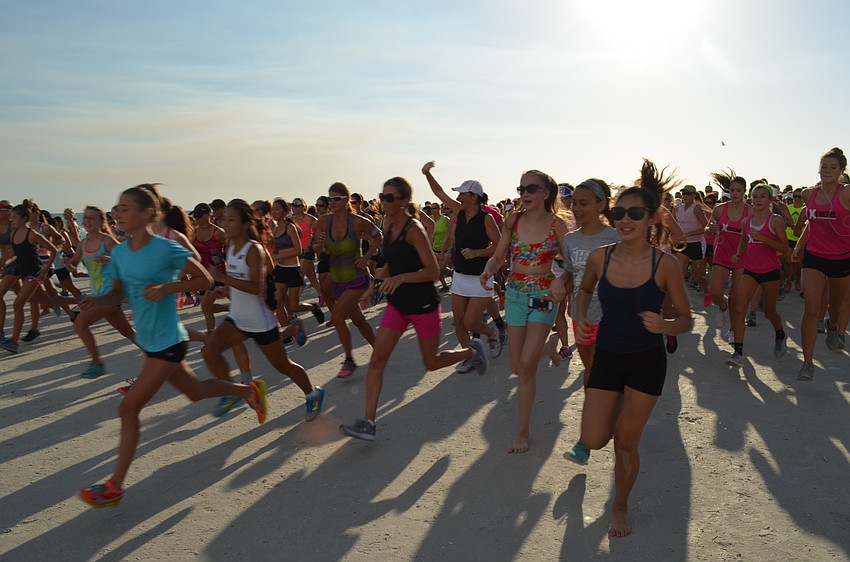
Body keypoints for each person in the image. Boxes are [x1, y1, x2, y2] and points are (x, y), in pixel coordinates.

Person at [78, 185, 267, 508]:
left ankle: (113, 487)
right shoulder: (120, 253)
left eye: (125, 207)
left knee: (128, 409)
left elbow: (204, 279)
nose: (118, 213)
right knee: (195, 391)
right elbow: (118, 294)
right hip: (149, 340)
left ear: (146, 214)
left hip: (169, 340)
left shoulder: (165, 248)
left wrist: (167, 287)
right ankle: (249, 391)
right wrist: (97, 300)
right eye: (117, 207)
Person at [563, 159, 693, 538]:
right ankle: (618, 411)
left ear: (651, 219)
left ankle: (619, 506)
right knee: (594, 438)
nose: (625, 219)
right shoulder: (601, 256)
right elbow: (584, 288)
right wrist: (581, 315)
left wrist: (664, 325)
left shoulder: (665, 264)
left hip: (645, 362)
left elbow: (686, 320)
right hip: (607, 356)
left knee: (625, 443)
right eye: (619, 212)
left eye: (635, 213)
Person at [340, 178, 488, 441]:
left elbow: (432, 270)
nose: (384, 202)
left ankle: (471, 351)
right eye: (382, 196)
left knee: (432, 363)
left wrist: (401, 278)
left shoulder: (414, 229)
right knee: (377, 360)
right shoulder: (388, 225)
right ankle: (368, 422)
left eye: (390, 198)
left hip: (423, 305)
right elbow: (389, 263)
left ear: (404, 200)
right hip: (398, 305)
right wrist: (374, 286)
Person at [202, 199, 324, 422]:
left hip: (259, 320)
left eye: (230, 220)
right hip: (237, 318)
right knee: (209, 351)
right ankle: (237, 392)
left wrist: (222, 278)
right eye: (223, 219)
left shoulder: (253, 249)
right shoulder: (230, 247)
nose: (224, 224)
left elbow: (253, 287)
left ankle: (313, 394)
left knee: (283, 366)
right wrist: (224, 290)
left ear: (244, 224)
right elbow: (238, 282)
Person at [481, 169, 569, 453]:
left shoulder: (557, 225)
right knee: (516, 367)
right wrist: (488, 270)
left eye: (531, 189)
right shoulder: (513, 221)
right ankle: (550, 347)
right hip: (515, 296)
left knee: (527, 366)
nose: (525, 194)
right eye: (521, 189)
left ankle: (522, 432)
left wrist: (560, 280)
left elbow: (571, 264)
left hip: (544, 296)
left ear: (546, 192)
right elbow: (498, 257)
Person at [422, 161, 503, 371]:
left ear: (474, 197)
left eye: (462, 194)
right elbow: (439, 193)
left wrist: (477, 252)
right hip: (460, 276)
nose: (458, 197)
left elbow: (499, 247)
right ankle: (472, 355)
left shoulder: (486, 219)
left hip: (481, 277)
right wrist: (427, 174)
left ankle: (492, 332)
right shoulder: (458, 212)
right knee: (458, 322)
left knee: (470, 323)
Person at [791, 147, 850, 380]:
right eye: (824, 166)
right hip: (814, 257)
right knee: (811, 308)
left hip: (841, 258)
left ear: (841, 171)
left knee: (835, 307)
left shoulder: (846, 194)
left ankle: (832, 325)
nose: (827, 171)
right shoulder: (809, 194)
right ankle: (807, 363)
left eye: (833, 167)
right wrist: (799, 247)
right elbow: (811, 223)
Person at [312, 182, 381, 378]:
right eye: (329, 199)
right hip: (338, 280)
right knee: (358, 320)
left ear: (346, 200)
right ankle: (380, 351)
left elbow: (378, 236)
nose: (332, 202)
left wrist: (366, 257)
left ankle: (349, 360)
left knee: (337, 317)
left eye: (336, 199)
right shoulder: (323, 222)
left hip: (358, 278)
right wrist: (319, 244)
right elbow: (317, 251)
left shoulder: (358, 222)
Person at [63, 206, 137, 378]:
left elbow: (130, 260)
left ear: (101, 222)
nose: (88, 221)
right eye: (86, 218)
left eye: (92, 218)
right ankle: (156, 354)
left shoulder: (108, 242)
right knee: (127, 332)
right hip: (98, 294)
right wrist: (67, 263)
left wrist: (111, 259)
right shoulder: (83, 244)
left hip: (111, 294)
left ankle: (97, 363)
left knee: (80, 324)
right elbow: (74, 268)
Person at [560, 179, 620, 384]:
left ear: (600, 205)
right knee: (591, 371)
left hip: (610, 317)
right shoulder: (569, 239)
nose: (576, 208)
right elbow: (571, 275)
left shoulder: (616, 237)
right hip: (581, 315)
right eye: (574, 202)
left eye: (583, 203)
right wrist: (558, 286)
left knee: (604, 371)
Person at [726, 184, 789, 367]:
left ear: (770, 200)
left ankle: (780, 333)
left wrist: (764, 239)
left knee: (769, 312)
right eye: (755, 196)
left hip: (770, 271)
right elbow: (744, 240)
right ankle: (738, 352)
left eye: (762, 196)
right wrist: (739, 254)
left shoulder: (775, 220)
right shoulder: (747, 221)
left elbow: (784, 248)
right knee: (740, 308)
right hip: (750, 270)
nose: (758, 199)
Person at [0, 202, 58, 353]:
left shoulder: (33, 234)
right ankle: (78, 303)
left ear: (24, 218)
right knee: (48, 300)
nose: (12, 220)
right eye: (11, 217)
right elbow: (15, 254)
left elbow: (54, 250)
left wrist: (45, 271)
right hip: (24, 272)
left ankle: (13, 342)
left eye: (14, 217)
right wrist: (6, 263)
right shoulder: (13, 234)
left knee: (18, 304)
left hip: (34, 274)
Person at [706, 171, 751, 341]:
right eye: (732, 190)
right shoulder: (719, 209)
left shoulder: (751, 211)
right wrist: (711, 229)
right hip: (722, 255)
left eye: (739, 190)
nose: (735, 193)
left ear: (744, 191)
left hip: (741, 257)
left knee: (736, 299)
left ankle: (733, 330)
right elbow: (707, 229)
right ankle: (722, 307)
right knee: (715, 293)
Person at [672, 185, 710, 306]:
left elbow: (705, 227)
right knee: (680, 273)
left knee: (698, 275)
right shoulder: (678, 208)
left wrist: (688, 234)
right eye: (683, 193)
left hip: (696, 244)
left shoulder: (696, 208)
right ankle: (678, 300)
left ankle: (707, 291)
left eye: (688, 194)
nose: (685, 196)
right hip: (683, 244)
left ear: (694, 195)